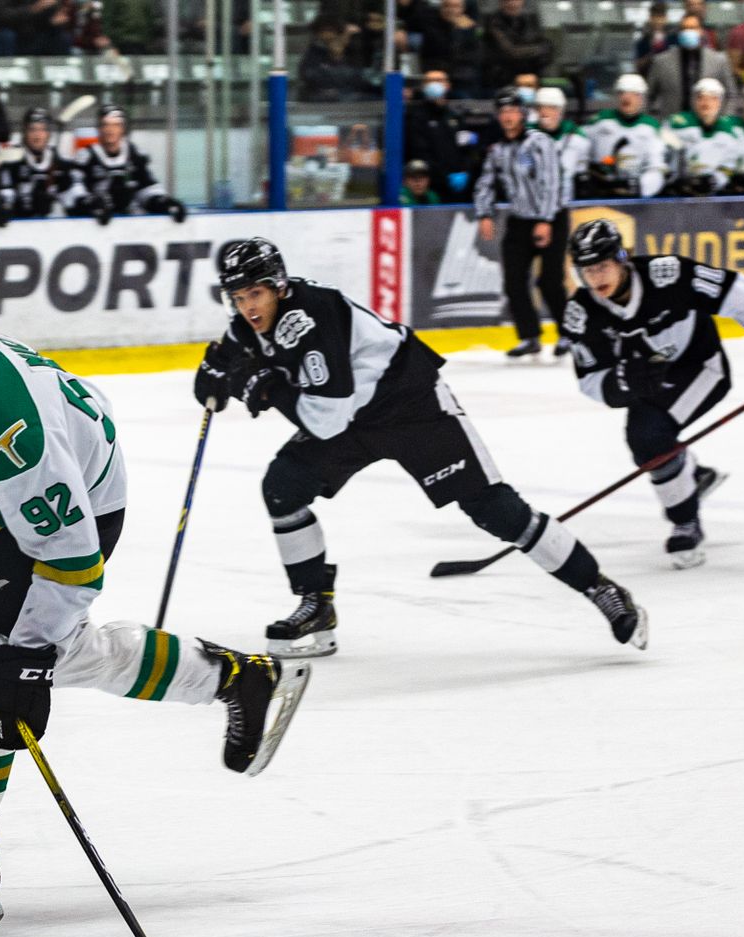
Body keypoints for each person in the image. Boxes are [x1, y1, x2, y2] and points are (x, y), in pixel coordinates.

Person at [0, 249, 311, 936]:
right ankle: (233, 676)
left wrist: (29, 658)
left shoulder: (11, 426)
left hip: (75, 508)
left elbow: (69, 555)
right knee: (32, 657)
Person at [192, 238, 648, 655]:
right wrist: (215, 382)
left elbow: (325, 420)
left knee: (494, 509)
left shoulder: (316, 313)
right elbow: (225, 370)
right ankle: (316, 608)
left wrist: (264, 389)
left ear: (279, 287)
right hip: (355, 416)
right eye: (239, 296)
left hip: (409, 402)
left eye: (257, 294)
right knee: (283, 487)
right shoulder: (246, 325)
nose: (249, 306)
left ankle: (600, 588)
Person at [558, 219, 744, 567]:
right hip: (652, 380)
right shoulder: (582, 312)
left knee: (648, 436)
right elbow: (590, 378)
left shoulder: (669, 275)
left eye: (603, 266)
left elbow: (740, 294)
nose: (596, 278)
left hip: (701, 367)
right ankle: (692, 475)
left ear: (623, 259)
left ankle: (685, 519)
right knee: (649, 441)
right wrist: (622, 383)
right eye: (587, 271)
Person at [475, 91, 567, 360]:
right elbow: (486, 182)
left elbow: (551, 182)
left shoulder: (540, 143)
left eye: (512, 111)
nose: (507, 117)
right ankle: (529, 336)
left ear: (523, 114)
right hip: (518, 221)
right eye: (502, 112)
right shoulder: (498, 150)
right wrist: (484, 213)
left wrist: (545, 220)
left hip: (551, 218)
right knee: (514, 281)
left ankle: (568, 334)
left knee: (550, 281)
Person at [67, 105, 185, 222]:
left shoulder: (134, 154)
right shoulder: (86, 157)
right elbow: (75, 189)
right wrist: (90, 204)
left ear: (123, 128)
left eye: (116, 125)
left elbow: (147, 187)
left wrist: (162, 202)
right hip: (93, 224)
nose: (110, 130)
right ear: (99, 128)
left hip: (129, 222)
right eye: (105, 125)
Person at [582, 73, 667, 198]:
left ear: (642, 98)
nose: (626, 98)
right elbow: (580, 152)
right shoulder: (600, 121)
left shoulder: (651, 127)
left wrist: (639, 187)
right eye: (622, 93)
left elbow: (657, 167)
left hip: (636, 198)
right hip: (600, 193)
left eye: (633, 94)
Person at [404, 70, 479, 201]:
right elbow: (421, 153)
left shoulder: (455, 117)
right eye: (430, 81)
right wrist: (444, 177)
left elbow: (467, 148)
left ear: (448, 85)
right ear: (423, 87)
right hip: (432, 188)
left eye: (439, 81)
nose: (435, 84)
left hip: (461, 186)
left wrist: (466, 172)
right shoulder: (416, 118)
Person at [666, 78, 744, 195]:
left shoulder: (730, 132)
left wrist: (713, 181)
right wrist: (674, 179)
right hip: (679, 195)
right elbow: (662, 157)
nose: (706, 103)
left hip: (713, 198)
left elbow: (729, 166)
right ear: (695, 101)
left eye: (712, 98)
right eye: (701, 98)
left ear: (719, 102)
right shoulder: (676, 124)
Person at [0, 106, 79, 221]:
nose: (37, 135)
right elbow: (5, 198)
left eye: (42, 129)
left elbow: (72, 201)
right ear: (25, 132)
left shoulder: (59, 163)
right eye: (32, 129)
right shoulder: (12, 160)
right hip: (18, 230)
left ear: (48, 133)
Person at [647, 13, 736, 119]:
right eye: (684, 28)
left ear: (701, 31)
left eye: (693, 28)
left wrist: (724, 119)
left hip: (709, 125)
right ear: (679, 32)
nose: (688, 32)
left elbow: (731, 95)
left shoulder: (718, 60)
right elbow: (647, 95)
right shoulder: (661, 61)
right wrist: (653, 121)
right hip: (672, 126)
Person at [417, 0, 484, 98]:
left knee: (465, 94)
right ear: (441, 9)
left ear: (462, 9)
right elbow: (439, 51)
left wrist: (459, 31)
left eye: (456, 7)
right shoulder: (431, 27)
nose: (451, 10)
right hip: (438, 74)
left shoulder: (469, 29)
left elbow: (474, 57)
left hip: (461, 78)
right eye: (447, 6)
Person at [299, 18, 377, 101]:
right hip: (322, 101)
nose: (327, 34)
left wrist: (339, 57)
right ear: (318, 34)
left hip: (352, 99)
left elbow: (361, 78)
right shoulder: (313, 53)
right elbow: (310, 77)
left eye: (332, 31)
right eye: (323, 31)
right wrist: (335, 57)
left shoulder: (352, 52)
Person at [482, 0, 552, 92]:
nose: (512, 3)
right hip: (503, 79)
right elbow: (512, 52)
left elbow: (548, 47)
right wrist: (538, 49)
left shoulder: (530, 19)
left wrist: (534, 52)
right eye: (508, 1)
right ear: (501, 2)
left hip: (532, 75)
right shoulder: (493, 21)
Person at [532, 87, 589, 198]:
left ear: (560, 110)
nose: (545, 112)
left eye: (551, 108)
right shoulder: (525, 137)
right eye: (541, 108)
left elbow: (581, 176)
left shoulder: (577, 139)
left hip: (564, 206)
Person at [634, 2, 673, 73]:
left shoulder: (673, 39)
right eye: (655, 17)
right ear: (650, 19)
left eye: (661, 17)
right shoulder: (643, 41)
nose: (658, 21)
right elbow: (638, 66)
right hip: (649, 76)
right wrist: (652, 53)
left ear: (666, 18)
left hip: (669, 76)